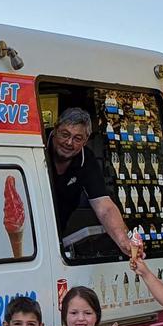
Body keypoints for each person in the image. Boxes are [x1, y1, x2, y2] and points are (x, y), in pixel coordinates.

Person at [47, 107, 133, 256]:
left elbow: (104, 207)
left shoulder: (87, 159)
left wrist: (123, 240)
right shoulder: (37, 143)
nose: (69, 142)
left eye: (77, 139)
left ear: (86, 140)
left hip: (58, 234)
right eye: (65, 134)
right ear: (55, 129)